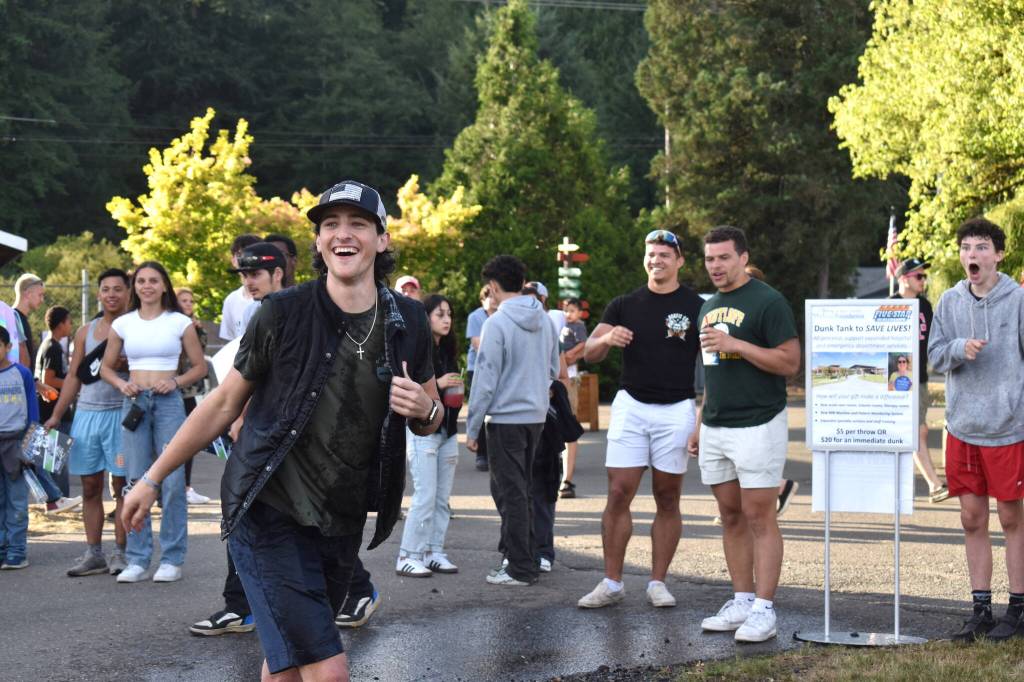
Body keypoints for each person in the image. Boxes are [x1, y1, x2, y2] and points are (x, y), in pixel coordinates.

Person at [123, 179, 441, 681]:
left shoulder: (410, 320)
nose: (344, 234)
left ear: (381, 239)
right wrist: (151, 477)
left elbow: (431, 413)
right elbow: (224, 402)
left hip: (342, 516)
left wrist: (426, 409)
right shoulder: (283, 313)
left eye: (358, 223)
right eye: (330, 224)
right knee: (328, 669)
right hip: (266, 505)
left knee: (288, 665)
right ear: (317, 242)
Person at [576, 229, 703, 610]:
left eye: (665, 254)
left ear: (679, 261)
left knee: (667, 496)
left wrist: (702, 417)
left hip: (677, 408)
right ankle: (611, 582)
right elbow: (589, 353)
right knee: (618, 492)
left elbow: (715, 364)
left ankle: (657, 582)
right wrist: (606, 339)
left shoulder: (696, 306)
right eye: (651, 254)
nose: (656, 260)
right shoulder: (623, 304)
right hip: (631, 405)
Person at [690, 225, 800, 643]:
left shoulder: (768, 301)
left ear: (741, 257)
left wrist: (736, 344)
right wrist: (701, 421)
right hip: (717, 424)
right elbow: (714, 371)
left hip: (759, 422)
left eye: (723, 258)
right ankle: (740, 599)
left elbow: (790, 362)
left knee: (759, 515)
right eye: (709, 259)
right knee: (730, 515)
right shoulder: (707, 307)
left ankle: (765, 609)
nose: (715, 266)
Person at [929, 217, 1024, 642]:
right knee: (971, 519)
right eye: (967, 247)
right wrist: (957, 349)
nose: (973, 254)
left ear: (998, 255)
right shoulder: (949, 302)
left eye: (982, 247)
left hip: (1008, 427)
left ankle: (1018, 609)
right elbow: (933, 356)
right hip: (963, 426)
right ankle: (980, 609)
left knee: (1011, 517)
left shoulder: (1017, 300)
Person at [189, 241, 286, 636]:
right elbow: (239, 368)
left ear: (278, 273)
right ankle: (240, 606)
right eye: (243, 275)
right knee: (242, 516)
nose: (248, 282)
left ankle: (352, 590)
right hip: (256, 430)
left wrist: (242, 416)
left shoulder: (302, 309)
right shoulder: (252, 309)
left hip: (282, 433)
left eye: (255, 274)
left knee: (298, 519)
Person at [102, 261, 207, 584]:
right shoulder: (123, 324)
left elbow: (200, 367)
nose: (147, 286)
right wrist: (123, 385)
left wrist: (175, 382)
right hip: (134, 402)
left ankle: (172, 559)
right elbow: (106, 368)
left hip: (168, 404)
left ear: (164, 286)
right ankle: (137, 558)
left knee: (173, 482)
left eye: (154, 281)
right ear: (135, 287)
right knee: (135, 480)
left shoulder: (179, 322)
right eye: (141, 281)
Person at [466, 255, 560, 587]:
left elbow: (485, 379)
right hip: (536, 416)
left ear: (492, 287)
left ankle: (520, 566)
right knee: (520, 489)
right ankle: (523, 554)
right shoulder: (546, 320)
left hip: (504, 418)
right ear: (522, 281)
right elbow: (554, 370)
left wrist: (472, 425)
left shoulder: (497, 323)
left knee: (511, 492)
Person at [45, 269, 133, 576]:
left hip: (121, 415)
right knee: (90, 486)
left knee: (122, 486)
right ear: (98, 294)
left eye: (118, 289)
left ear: (127, 293)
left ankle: (121, 553)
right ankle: (93, 552)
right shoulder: (85, 331)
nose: (111, 294)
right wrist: (57, 415)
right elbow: (72, 376)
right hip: (87, 415)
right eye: (106, 289)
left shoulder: (136, 327)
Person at [396, 294, 463, 577]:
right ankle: (407, 555)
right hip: (422, 429)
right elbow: (406, 387)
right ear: (426, 317)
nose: (446, 319)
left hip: (448, 431)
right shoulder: (416, 348)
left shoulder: (448, 350)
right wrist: (439, 382)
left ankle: (433, 550)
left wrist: (455, 388)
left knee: (441, 497)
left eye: (449, 314)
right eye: (440, 314)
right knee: (425, 494)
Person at [891, 257, 948, 503]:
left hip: (922, 377)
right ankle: (934, 485)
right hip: (901, 379)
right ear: (904, 278)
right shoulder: (889, 305)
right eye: (919, 276)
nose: (923, 280)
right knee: (918, 431)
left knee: (915, 431)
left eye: (924, 276)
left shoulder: (924, 306)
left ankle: (928, 483)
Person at [32, 306, 84, 515]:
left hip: (48, 409)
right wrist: (74, 384)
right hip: (53, 409)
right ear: (61, 323)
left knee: (50, 458)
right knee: (56, 459)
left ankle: (56, 499)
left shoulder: (49, 345)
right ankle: (59, 499)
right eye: (69, 321)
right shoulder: (52, 347)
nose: (71, 325)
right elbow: (48, 380)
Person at [0, 326, 38, 570]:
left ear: (8, 347)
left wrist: (30, 444)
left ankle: (17, 550)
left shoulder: (21, 373)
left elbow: (33, 410)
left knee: (16, 499)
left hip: (15, 443)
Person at [174, 287, 212, 506]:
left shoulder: (196, 328)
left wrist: (198, 331)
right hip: (171, 389)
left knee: (189, 439)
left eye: (191, 301)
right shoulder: (170, 325)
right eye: (184, 301)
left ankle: (186, 487)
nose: (188, 304)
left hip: (190, 391)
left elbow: (199, 356)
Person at [558, 297, 588, 499]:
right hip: (560, 370)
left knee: (569, 414)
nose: (569, 314)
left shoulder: (578, 327)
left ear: (580, 312)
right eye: (566, 310)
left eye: (572, 310)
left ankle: (567, 474)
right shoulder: (561, 325)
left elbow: (583, 345)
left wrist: (567, 355)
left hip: (570, 374)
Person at [466, 285, 496, 472]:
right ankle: (481, 454)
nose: (492, 299)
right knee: (481, 409)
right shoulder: (476, 317)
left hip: (499, 370)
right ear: (482, 299)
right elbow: (477, 344)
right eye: (488, 296)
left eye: (494, 295)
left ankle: (494, 453)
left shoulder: (504, 315)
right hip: (477, 368)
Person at [219, 234, 262, 341]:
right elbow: (229, 341)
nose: (244, 258)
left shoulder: (271, 296)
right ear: (233, 260)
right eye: (239, 254)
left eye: (250, 254)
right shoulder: (231, 300)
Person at [13, 273, 45, 370]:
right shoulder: (13, 317)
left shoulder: (20, 318)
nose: (42, 300)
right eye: (40, 295)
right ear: (28, 294)